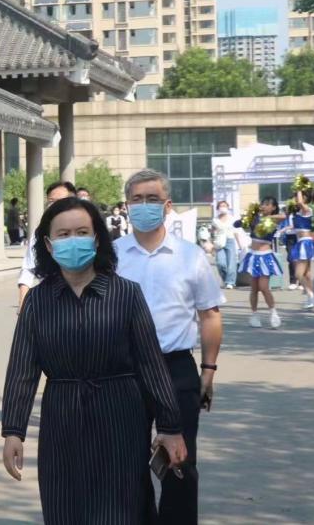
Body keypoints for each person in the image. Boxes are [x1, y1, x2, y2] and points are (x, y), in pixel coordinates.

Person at [1, 197, 186, 524]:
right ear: (48, 244)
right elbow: (22, 369)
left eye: (82, 232)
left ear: (97, 239)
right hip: (61, 417)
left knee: (120, 510)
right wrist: (13, 431)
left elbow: (151, 364)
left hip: (120, 416)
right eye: (63, 234)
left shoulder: (126, 294)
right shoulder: (38, 301)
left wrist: (170, 426)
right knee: (64, 507)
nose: (73, 240)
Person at [114, 169, 224, 525]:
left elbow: (210, 315)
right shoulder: (111, 256)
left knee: (180, 461)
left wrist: (208, 371)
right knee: (126, 462)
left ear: (168, 205)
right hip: (123, 370)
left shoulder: (190, 256)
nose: (144, 205)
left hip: (175, 368)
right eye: (137, 199)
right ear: (126, 205)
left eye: (152, 199)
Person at [17, 180, 77, 308]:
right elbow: (29, 268)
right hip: (50, 303)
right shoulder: (40, 233)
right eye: (51, 201)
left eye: (60, 201)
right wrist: (22, 304)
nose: (54, 205)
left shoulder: (87, 231)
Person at [240, 197, 284, 329]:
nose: (263, 206)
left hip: (265, 257)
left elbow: (283, 216)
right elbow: (237, 224)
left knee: (264, 287)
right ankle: (254, 315)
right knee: (254, 288)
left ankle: (273, 313)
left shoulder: (273, 220)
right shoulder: (255, 218)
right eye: (263, 204)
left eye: (267, 204)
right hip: (253, 255)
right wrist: (247, 216)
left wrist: (268, 217)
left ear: (273, 207)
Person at [290, 187, 314, 309]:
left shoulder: (307, 209)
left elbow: (299, 202)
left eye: (298, 196)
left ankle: (310, 294)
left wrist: (299, 187)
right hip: (300, 242)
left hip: (305, 242)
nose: (296, 198)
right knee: (307, 274)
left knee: (298, 274)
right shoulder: (299, 211)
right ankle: (311, 298)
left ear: (305, 198)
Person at [210, 201, 239, 290]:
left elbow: (236, 232)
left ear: (228, 207)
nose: (223, 207)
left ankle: (230, 282)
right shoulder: (215, 220)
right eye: (221, 206)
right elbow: (212, 231)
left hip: (230, 240)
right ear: (218, 208)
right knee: (220, 263)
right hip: (219, 242)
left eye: (224, 206)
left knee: (231, 263)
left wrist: (240, 244)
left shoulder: (232, 218)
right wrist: (211, 244)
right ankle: (226, 279)